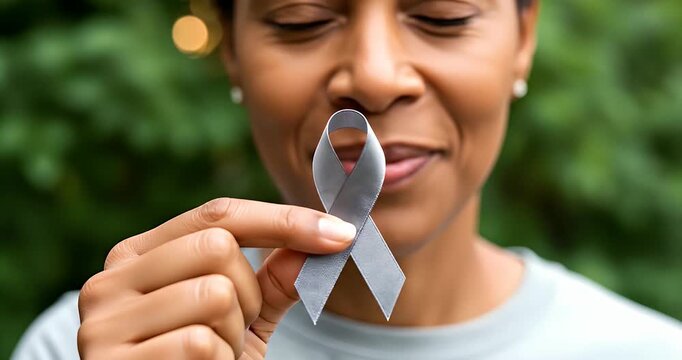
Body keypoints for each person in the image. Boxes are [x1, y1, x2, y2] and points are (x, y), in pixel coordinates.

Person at [12, 0, 682, 359]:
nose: (374, 75)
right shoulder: (99, 344)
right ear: (233, 54)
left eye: (442, 17)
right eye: (301, 22)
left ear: (524, 36)